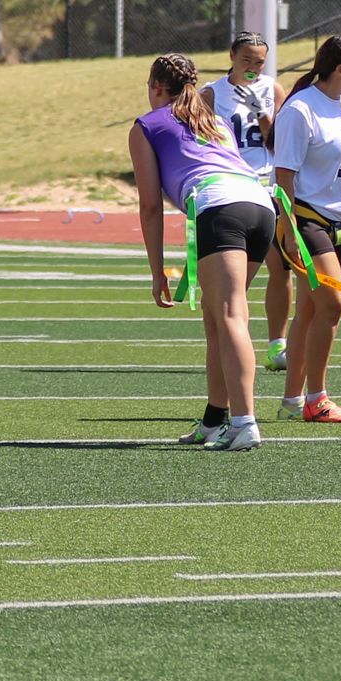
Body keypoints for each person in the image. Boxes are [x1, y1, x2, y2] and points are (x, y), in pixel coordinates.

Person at [133, 52, 276, 451]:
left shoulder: (146, 124)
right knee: (218, 317)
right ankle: (216, 419)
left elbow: (149, 205)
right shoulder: (215, 120)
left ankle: (245, 421)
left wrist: (157, 270)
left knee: (230, 315)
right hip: (261, 207)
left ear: (156, 87)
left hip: (221, 207)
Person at [271, 34, 341, 424]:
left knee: (310, 311)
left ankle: (292, 401)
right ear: (340, 69)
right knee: (329, 304)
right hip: (305, 217)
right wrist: (288, 229)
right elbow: (283, 178)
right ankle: (317, 399)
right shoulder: (299, 109)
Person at [207, 32, 292, 372]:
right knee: (233, 280)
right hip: (231, 189)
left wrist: (264, 115)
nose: (254, 68)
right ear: (231, 55)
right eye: (247, 61)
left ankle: (277, 345)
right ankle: (231, 339)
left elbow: (282, 146)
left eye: (260, 62)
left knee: (281, 266)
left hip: (267, 189)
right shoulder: (212, 94)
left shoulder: (273, 90)